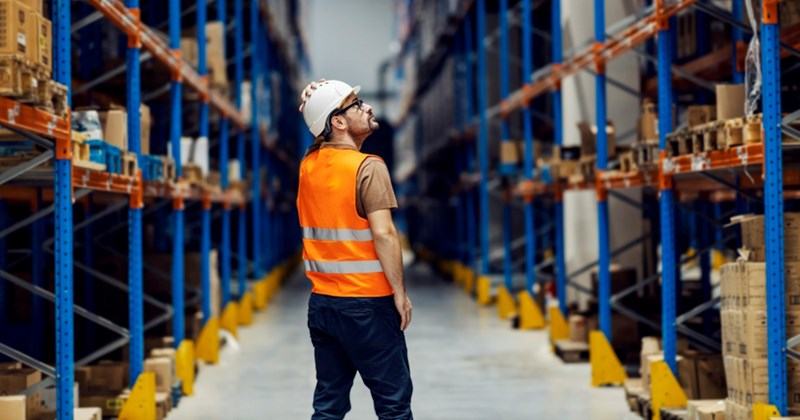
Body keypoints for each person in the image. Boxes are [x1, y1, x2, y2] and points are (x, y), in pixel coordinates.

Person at [297, 79, 413, 420]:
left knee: (328, 405)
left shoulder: (309, 167)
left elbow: (316, 144)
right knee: (393, 404)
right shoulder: (368, 167)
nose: (367, 107)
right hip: (368, 307)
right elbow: (385, 235)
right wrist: (399, 294)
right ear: (339, 122)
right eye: (356, 104)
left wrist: (313, 103)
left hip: (323, 306)